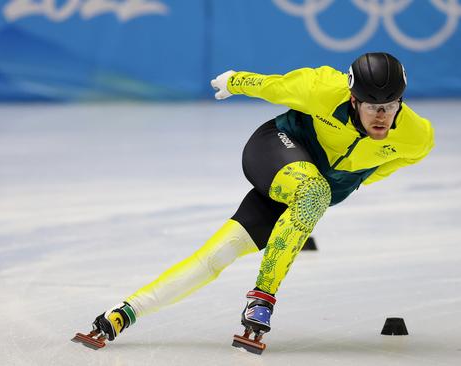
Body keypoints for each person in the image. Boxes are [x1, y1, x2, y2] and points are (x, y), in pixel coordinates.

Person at [76, 52, 434, 353]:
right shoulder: (322, 88)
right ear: (354, 99)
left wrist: (352, 180)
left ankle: (123, 313)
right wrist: (234, 81)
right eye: (373, 106)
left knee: (220, 253)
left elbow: (392, 163)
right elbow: (272, 86)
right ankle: (262, 299)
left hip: (308, 190)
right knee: (315, 193)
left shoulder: (417, 137)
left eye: (389, 106)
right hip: (275, 148)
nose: (382, 116)